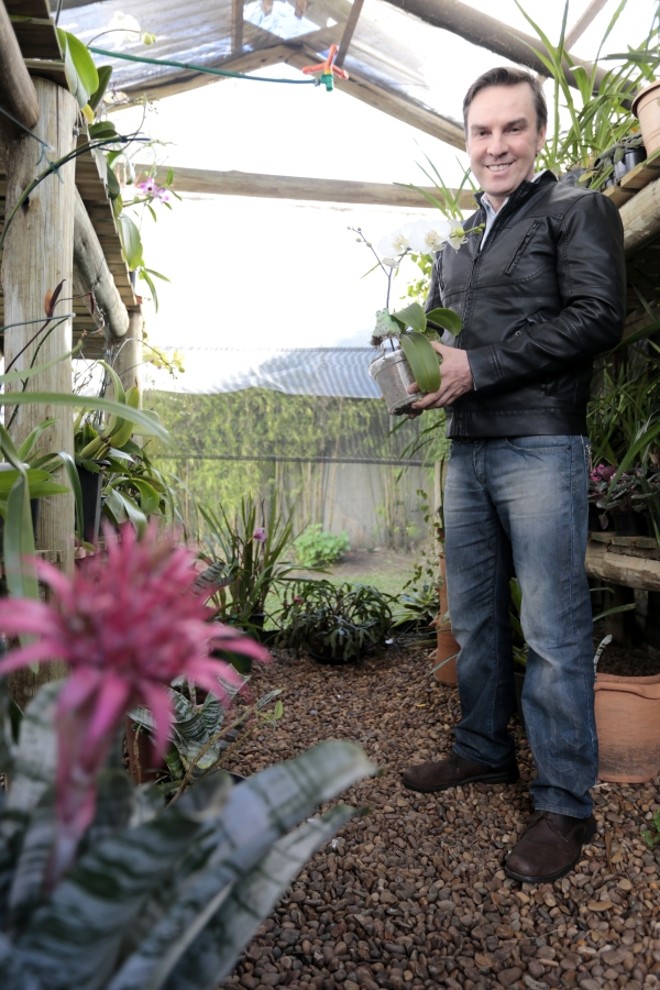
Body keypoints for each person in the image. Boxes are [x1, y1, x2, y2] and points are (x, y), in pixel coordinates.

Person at [401, 66, 626, 883]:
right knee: (476, 617)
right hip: (469, 446)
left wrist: (479, 368)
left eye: (512, 128)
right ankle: (483, 749)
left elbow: (598, 316)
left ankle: (565, 805)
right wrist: (427, 377)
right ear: (466, 140)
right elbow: (451, 346)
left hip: (539, 444)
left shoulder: (576, 209)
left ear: (539, 134)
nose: (495, 146)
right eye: (481, 131)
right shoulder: (459, 242)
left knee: (553, 631)